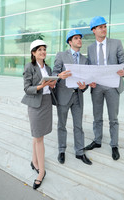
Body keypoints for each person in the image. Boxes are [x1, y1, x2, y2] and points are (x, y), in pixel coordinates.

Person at [21, 39, 68, 190]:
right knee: (38, 137)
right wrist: (41, 86)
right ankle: (41, 172)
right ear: (33, 53)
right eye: (39, 49)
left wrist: (54, 82)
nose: (43, 52)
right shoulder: (29, 67)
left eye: (44, 49)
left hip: (47, 103)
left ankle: (34, 161)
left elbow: (51, 85)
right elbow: (27, 88)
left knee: (37, 136)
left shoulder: (47, 68)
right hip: (35, 104)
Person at [84, 16, 124, 160]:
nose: (104, 29)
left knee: (113, 118)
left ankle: (114, 144)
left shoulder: (116, 43)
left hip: (112, 85)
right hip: (96, 87)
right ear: (94, 30)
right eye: (100, 27)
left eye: (105, 26)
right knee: (97, 117)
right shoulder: (90, 48)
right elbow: (90, 68)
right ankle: (97, 140)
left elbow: (123, 61)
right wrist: (90, 81)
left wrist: (123, 70)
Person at [52, 29, 92, 165]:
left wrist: (84, 87)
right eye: (76, 38)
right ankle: (61, 150)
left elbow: (86, 80)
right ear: (70, 42)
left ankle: (80, 152)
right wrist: (59, 76)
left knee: (78, 126)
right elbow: (54, 74)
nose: (79, 40)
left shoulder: (85, 60)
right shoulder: (61, 55)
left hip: (78, 96)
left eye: (80, 38)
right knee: (62, 125)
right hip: (63, 95)